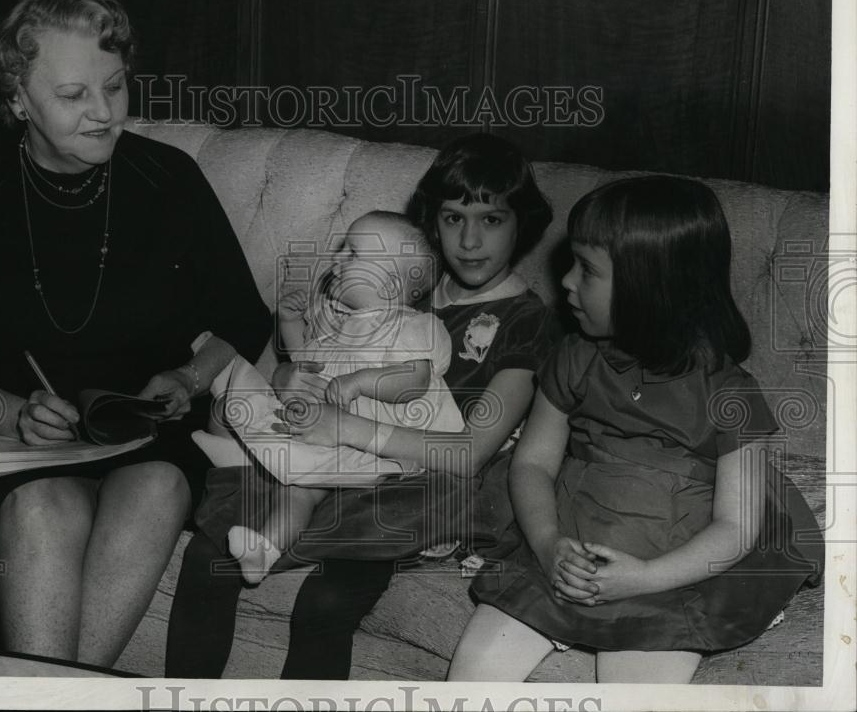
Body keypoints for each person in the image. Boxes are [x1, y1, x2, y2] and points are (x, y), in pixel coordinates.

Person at [0, 0, 270, 667]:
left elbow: (243, 318)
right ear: (18, 99)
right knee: (40, 509)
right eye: (74, 94)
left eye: (114, 85)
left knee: (158, 487)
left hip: (154, 434)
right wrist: (14, 412)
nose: (105, 112)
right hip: (30, 444)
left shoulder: (170, 179)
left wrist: (187, 377)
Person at [166, 133, 558, 679]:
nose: (469, 241)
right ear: (431, 221)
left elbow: (469, 454)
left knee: (326, 601)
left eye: (491, 220)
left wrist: (345, 426)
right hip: (322, 459)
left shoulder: (527, 323)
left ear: (522, 224)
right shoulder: (386, 275)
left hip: (419, 487)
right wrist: (288, 374)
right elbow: (303, 359)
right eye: (453, 218)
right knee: (208, 557)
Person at [448, 176, 823, 683]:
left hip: (672, 569)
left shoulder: (730, 393)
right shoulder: (575, 356)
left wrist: (645, 577)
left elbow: (735, 528)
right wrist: (548, 544)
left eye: (587, 269)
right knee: (471, 679)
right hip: (566, 541)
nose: (566, 282)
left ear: (651, 288)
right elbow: (533, 462)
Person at [222, 211, 465, 583]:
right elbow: (307, 369)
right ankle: (264, 550)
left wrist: (361, 382)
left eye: (352, 254)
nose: (336, 259)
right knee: (299, 487)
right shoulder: (337, 326)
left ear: (390, 284)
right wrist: (289, 323)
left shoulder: (412, 325)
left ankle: (247, 467)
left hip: (381, 447)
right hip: (335, 443)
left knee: (299, 480)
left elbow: (414, 381)